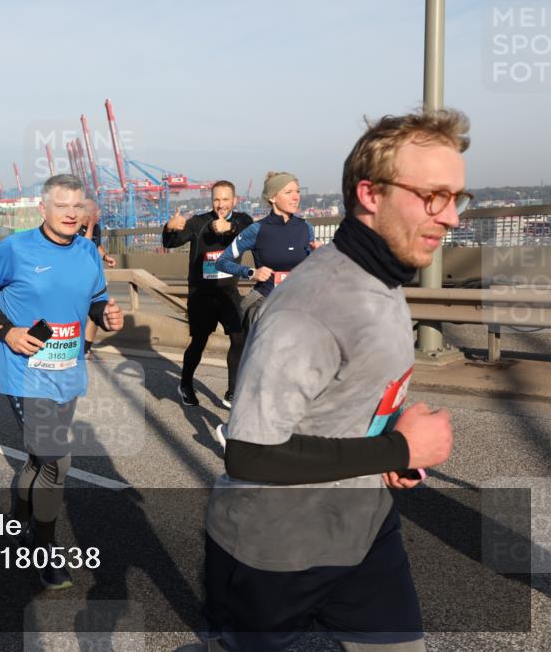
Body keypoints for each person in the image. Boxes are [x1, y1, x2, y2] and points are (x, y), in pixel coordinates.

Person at [203, 109, 468, 652]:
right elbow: (249, 454)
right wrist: (398, 448)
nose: (452, 218)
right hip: (273, 551)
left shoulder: (383, 276)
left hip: (365, 533)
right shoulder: (310, 307)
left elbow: (350, 395)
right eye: (433, 197)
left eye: (456, 198)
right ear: (370, 194)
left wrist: (395, 445)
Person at [0, 174, 124, 590]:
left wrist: (106, 315)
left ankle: (18, 522)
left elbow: (95, 299)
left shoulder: (88, 250)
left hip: (68, 372)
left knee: (38, 461)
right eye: (61, 205)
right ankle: (44, 549)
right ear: (43, 209)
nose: (71, 213)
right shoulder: (15, 249)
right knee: (57, 461)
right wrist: (7, 331)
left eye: (77, 206)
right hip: (26, 373)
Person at [162, 181, 253, 409]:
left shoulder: (242, 220)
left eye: (225, 199)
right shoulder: (198, 222)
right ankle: (185, 384)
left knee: (239, 338)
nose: (221, 205)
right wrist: (169, 227)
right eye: (216, 200)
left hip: (228, 292)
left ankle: (232, 392)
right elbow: (170, 242)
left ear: (235, 200)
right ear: (211, 201)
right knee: (199, 342)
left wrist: (229, 228)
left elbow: (248, 231)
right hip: (201, 294)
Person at [215, 172, 318, 334]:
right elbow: (221, 262)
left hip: (300, 304)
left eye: (297, 191)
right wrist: (251, 272)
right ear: (272, 197)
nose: (296, 197)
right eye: (288, 192)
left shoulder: (306, 228)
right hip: (266, 303)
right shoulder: (256, 230)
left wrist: (319, 256)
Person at [77, 198, 117, 356]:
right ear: (89, 215)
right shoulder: (75, 228)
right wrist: (91, 226)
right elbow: (85, 246)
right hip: (78, 277)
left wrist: (106, 257)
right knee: (79, 313)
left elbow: (96, 245)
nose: (99, 218)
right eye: (97, 215)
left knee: (97, 312)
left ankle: (86, 348)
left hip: (94, 277)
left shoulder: (97, 228)